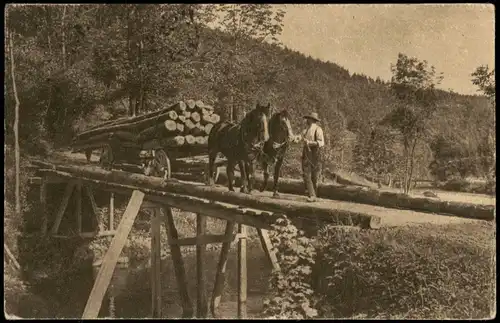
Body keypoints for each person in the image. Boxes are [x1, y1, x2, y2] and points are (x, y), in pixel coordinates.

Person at [301, 112, 325, 202]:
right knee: (307, 174)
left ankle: (314, 195)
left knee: (314, 175)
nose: (307, 120)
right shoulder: (306, 130)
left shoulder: (318, 129)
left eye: (308, 118)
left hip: (315, 153)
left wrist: (309, 143)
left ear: (312, 120)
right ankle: (312, 195)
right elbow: (301, 138)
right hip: (306, 153)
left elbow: (321, 143)